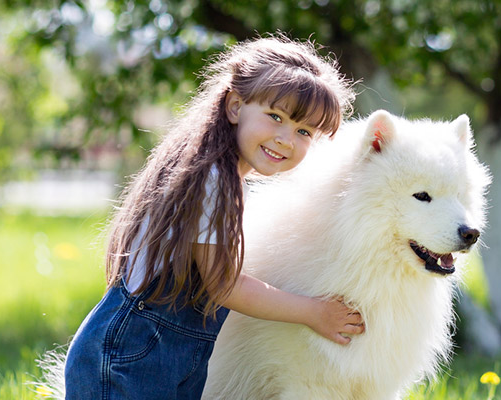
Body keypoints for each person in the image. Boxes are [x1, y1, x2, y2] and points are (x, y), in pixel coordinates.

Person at [64, 34, 362, 399]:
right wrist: (314, 312)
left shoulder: (225, 178)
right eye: (275, 116)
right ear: (235, 107)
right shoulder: (212, 179)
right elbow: (224, 284)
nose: (286, 138)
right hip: (133, 353)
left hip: (165, 352)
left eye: (304, 131)